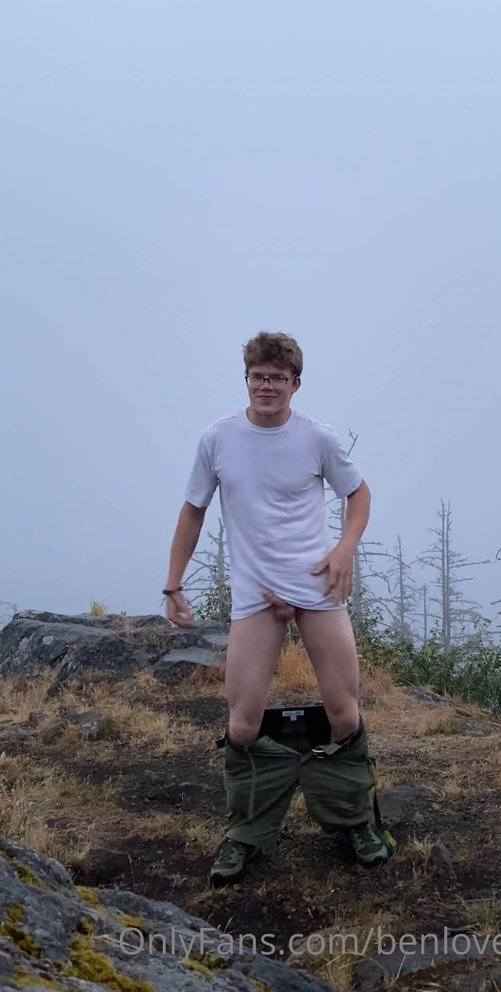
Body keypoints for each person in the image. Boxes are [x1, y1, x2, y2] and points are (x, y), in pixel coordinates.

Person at [163, 331, 394, 884]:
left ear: (295, 383)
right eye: (257, 377)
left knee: (344, 714)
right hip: (255, 595)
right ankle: (244, 833)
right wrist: (173, 584)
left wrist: (344, 549)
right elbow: (193, 510)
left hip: (317, 590)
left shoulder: (316, 438)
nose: (266, 386)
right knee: (242, 722)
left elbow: (359, 494)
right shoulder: (218, 439)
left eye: (277, 378)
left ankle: (356, 822)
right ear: (246, 379)